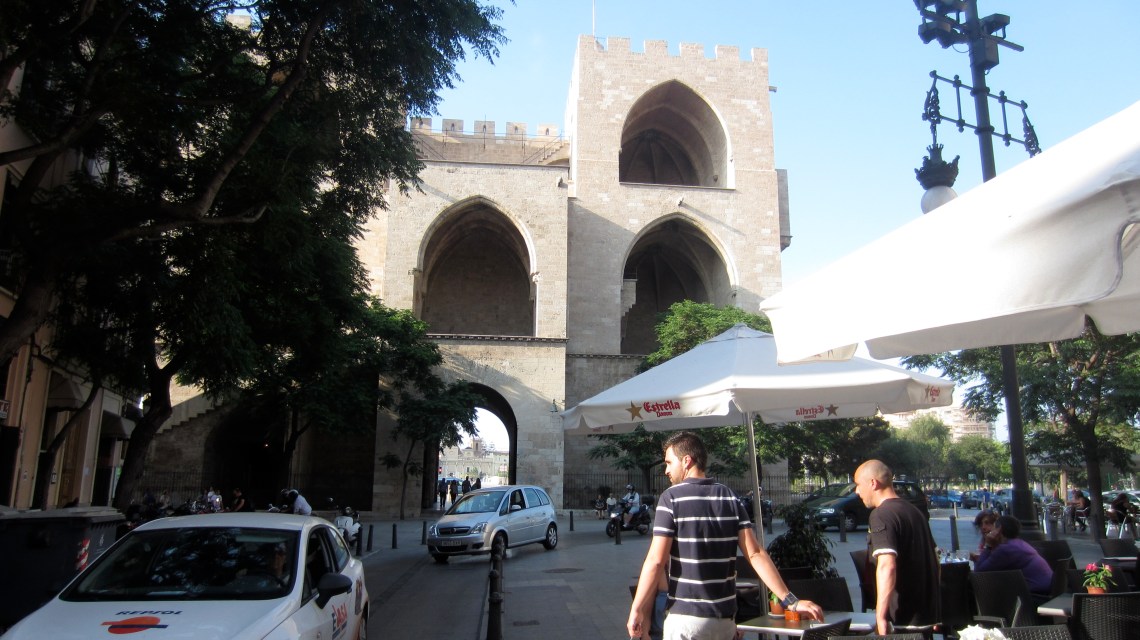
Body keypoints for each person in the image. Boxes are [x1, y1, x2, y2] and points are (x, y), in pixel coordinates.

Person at [627, 431, 823, 640]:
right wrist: (790, 601)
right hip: (725, 622)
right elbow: (755, 553)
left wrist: (637, 609)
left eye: (668, 462)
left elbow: (656, 560)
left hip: (686, 620)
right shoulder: (730, 497)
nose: (666, 470)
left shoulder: (671, 498)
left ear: (686, 461)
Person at [854, 459, 940, 635]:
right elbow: (936, 560)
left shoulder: (881, 515)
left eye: (858, 484)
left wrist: (881, 616)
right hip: (925, 619)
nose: (857, 491)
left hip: (901, 621)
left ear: (873, 483)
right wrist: (936, 610)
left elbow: (887, 565)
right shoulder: (915, 512)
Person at [973, 515, 1054, 596]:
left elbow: (979, 574)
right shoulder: (1018, 544)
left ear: (999, 530)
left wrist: (988, 545)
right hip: (1047, 588)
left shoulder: (1005, 549)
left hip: (1036, 594)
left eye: (994, 528)